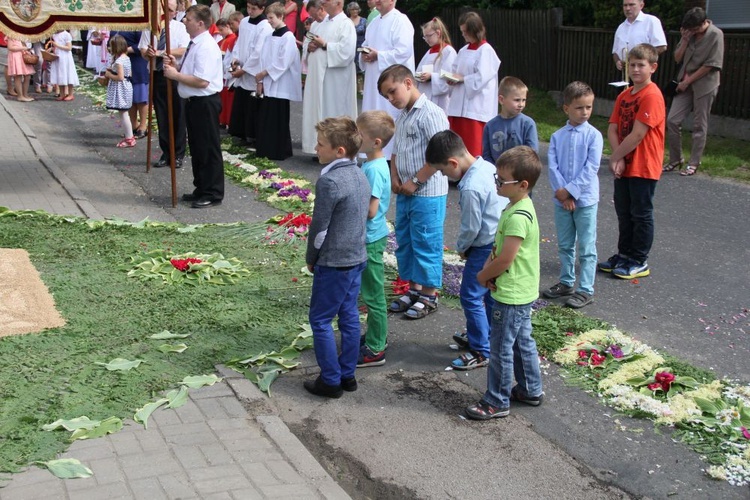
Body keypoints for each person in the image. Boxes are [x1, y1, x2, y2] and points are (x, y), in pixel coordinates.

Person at [464, 146, 544, 420]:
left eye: (501, 180)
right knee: (522, 342)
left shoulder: (518, 217)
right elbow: (499, 251)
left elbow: (506, 259)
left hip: (510, 294)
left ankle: (496, 400)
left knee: (499, 349)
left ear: (522, 185)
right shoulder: (517, 205)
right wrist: (489, 267)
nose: (496, 183)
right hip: (519, 290)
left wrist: (483, 276)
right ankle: (531, 389)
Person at [425, 130, 505, 370]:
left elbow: (471, 226)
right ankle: (489, 335)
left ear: (453, 163)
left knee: (470, 295)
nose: (443, 175)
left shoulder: (469, 186)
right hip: (500, 240)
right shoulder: (488, 167)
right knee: (489, 293)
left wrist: (462, 248)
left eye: (442, 170)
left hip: (482, 245)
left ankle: (481, 349)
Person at [304, 117, 370, 398]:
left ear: (339, 150)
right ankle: (347, 374)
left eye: (321, 145)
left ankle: (330, 380)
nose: (316, 149)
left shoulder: (330, 181)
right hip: (356, 257)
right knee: (349, 316)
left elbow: (320, 228)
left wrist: (312, 257)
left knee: (320, 319)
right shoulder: (360, 173)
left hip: (334, 261)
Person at [379, 64, 449, 320]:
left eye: (392, 91)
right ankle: (415, 288)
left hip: (427, 192)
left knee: (426, 241)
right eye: (386, 95)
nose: (390, 98)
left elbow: (440, 153)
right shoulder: (404, 115)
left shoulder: (430, 113)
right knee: (406, 241)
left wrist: (416, 181)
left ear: (408, 83)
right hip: (406, 191)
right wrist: (395, 177)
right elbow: (396, 151)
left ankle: (430, 294)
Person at [599, 44, 665, 280]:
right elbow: (613, 129)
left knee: (641, 213)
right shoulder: (624, 95)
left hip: (643, 166)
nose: (635, 70)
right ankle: (624, 253)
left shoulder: (652, 95)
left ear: (653, 67)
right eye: (632, 65)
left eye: (641, 65)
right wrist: (618, 159)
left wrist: (616, 158)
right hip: (624, 165)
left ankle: (639, 259)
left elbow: (638, 134)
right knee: (624, 212)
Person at [543, 81, 603, 309]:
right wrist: (562, 194)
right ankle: (566, 281)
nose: (585, 112)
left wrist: (570, 192)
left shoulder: (594, 136)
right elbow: (553, 166)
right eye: (579, 108)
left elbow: (591, 168)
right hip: (562, 201)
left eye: (589, 107)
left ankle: (586, 288)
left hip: (585, 201)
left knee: (587, 247)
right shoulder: (558, 136)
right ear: (566, 108)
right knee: (566, 244)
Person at [163, 4, 225, 209]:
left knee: (207, 148)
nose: (184, 22)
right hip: (194, 101)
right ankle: (201, 186)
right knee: (198, 148)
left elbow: (202, 80)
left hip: (204, 101)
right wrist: (177, 66)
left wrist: (175, 75)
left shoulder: (206, 45)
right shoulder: (195, 43)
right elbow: (192, 71)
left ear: (200, 23)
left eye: (188, 19)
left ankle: (212, 191)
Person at [664, 7, 724, 177]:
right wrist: (684, 40)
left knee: (699, 125)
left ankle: (694, 163)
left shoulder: (715, 34)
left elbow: (712, 64)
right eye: (690, 29)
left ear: (705, 22)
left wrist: (688, 81)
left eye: (696, 29)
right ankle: (675, 159)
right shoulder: (688, 34)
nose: (693, 31)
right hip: (685, 82)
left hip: (705, 84)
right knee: (672, 120)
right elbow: (677, 58)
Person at [355, 110, 395, 368]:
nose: (355, 138)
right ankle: (374, 336)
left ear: (376, 142)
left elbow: (370, 210)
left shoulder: (374, 170)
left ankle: (376, 348)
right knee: (369, 291)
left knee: (372, 294)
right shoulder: (373, 165)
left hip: (370, 237)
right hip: (371, 235)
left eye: (359, 134)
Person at [301, 0, 357, 155]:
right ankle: (317, 147)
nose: (324, 2)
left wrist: (325, 45)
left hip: (335, 79)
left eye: (327, 0)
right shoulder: (318, 24)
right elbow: (307, 43)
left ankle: (335, 149)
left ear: (338, 3)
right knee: (317, 110)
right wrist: (309, 47)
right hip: (317, 76)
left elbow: (347, 52)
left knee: (333, 111)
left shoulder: (346, 24)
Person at [360, 0, 414, 159]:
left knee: (388, 118)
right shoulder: (373, 23)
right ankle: (371, 153)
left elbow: (404, 52)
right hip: (372, 80)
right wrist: (363, 55)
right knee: (373, 116)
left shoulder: (401, 21)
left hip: (391, 83)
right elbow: (365, 45)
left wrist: (379, 55)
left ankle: (391, 159)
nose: (376, 1)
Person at [139, 0, 190, 168]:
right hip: (156, 73)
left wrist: (162, 52)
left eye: (169, 10)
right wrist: (149, 53)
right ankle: (166, 151)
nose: (166, 12)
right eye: (164, 9)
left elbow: (183, 49)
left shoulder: (180, 28)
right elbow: (143, 50)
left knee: (178, 113)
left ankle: (178, 153)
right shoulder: (151, 27)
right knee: (162, 114)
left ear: (175, 13)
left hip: (174, 73)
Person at [445, 11, 500, 157]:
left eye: (466, 31)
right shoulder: (463, 51)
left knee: (473, 151)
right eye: (462, 31)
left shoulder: (486, 51)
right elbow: (455, 70)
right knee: (456, 150)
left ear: (475, 30)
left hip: (475, 110)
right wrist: (451, 79)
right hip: (458, 108)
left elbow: (482, 78)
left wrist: (463, 79)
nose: (463, 35)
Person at [254, 2, 303, 160]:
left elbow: (284, 62)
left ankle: (279, 150)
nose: (269, 21)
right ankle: (266, 149)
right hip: (268, 81)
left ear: (281, 16)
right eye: (268, 18)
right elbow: (263, 57)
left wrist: (264, 73)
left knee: (278, 118)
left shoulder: (288, 37)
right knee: (267, 118)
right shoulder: (269, 36)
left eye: (271, 18)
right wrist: (261, 79)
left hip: (280, 84)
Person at [228, 0, 273, 145]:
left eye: (254, 8)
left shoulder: (265, 26)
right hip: (242, 65)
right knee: (241, 100)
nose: (250, 11)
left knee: (252, 104)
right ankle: (240, 132)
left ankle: (252, 136)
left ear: (262, 9)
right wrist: (235, 60)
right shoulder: (245, 22)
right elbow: (239, 42)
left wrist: (245, 69)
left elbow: (258, 51)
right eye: (248, 7)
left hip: (254, 69)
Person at [481, 76, 539, 165]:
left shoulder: (528, 124)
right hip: (497, 174)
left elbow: (532, 153)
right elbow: (487, 155)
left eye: (524, 100)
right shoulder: (490, 126)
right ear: (501, 99)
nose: (521, 104)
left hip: (521, 172)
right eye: (517, 100)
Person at [415, 17, 456, 113]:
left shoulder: (448, 51)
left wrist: (432, 77)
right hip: (426, 95)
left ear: (438, 33)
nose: (426, 39)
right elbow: (418, 71)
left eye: (429, 36)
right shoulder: (428, 52)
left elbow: (450, 76)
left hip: (440, 100)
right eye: (425, 37)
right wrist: (418, 76)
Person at [112, 30, 149, 139]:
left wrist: (124, 50)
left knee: (140, 97)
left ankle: (143, 126)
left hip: (137, 62)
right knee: (129, 97)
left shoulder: (137, 27)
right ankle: (133, 125)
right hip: (123, 62)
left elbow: (142, 44)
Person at [612, 0, 667, 72]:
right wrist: (617, 61)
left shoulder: (651, 21)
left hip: (644, 71)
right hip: (624, 71)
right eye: (625, 5)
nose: (627, 8)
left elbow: (661, 46)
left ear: (641, 5)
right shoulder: (621, 27)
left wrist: (640, 60)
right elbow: (615, 51)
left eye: (631, 5)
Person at [103, 35, 136, 148]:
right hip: (126, 86)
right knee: (124, 112)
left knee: (123, 113)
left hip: (121, 88)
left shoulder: (120, 61)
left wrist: (109, 75)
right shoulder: (125, 58)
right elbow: (129, 74)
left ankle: (129, 138)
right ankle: (129, 136)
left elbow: (121, 77)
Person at [217, 14, 240, 129]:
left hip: (229, 73)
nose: (220, 33)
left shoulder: (231, 39)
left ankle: (227, 121)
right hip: (225, 72)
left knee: (228, 99)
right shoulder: (226, 40)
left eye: (221, 30)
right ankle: (224, 120)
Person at [48, 30, 79, 101]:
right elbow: (56, 46)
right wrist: (52, 48)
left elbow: (69, 48)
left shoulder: (66, 34)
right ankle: (62, 94)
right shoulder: (54, 35)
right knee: (60, 74)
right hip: (58, 57)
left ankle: (70, 94)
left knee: (68, 74)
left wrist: (57, 45)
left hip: (65, 57)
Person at [6, 38, 35, 102]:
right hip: (15, 56)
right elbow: (10, 47)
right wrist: (22, 48)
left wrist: (26, 50)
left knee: (27, 76)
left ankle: (25, 94)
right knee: (18, 76)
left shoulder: (20, 35)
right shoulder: (11, 35)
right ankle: (20, 96)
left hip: (22, 56)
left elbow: (23, 44)